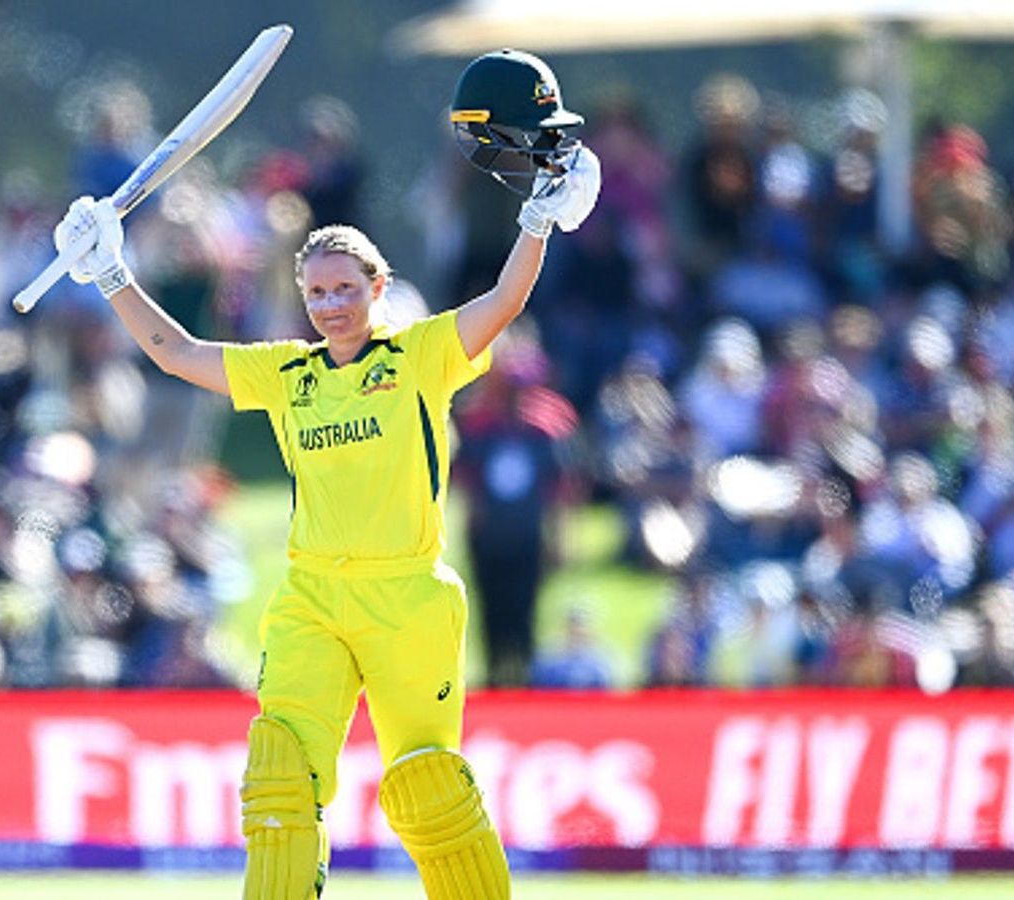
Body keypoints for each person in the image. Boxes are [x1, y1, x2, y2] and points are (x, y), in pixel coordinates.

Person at [46, 49, 600, 900]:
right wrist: (110, 270)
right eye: (316, 292)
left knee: (426, 789)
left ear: (377, 288)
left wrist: (538, 221)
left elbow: (501, 306)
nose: (331, 305)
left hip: (407, 597)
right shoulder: (289, 373)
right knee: (278, 776)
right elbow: (177, 352)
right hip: (311, 596)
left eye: (345, 288)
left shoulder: (419, 357)